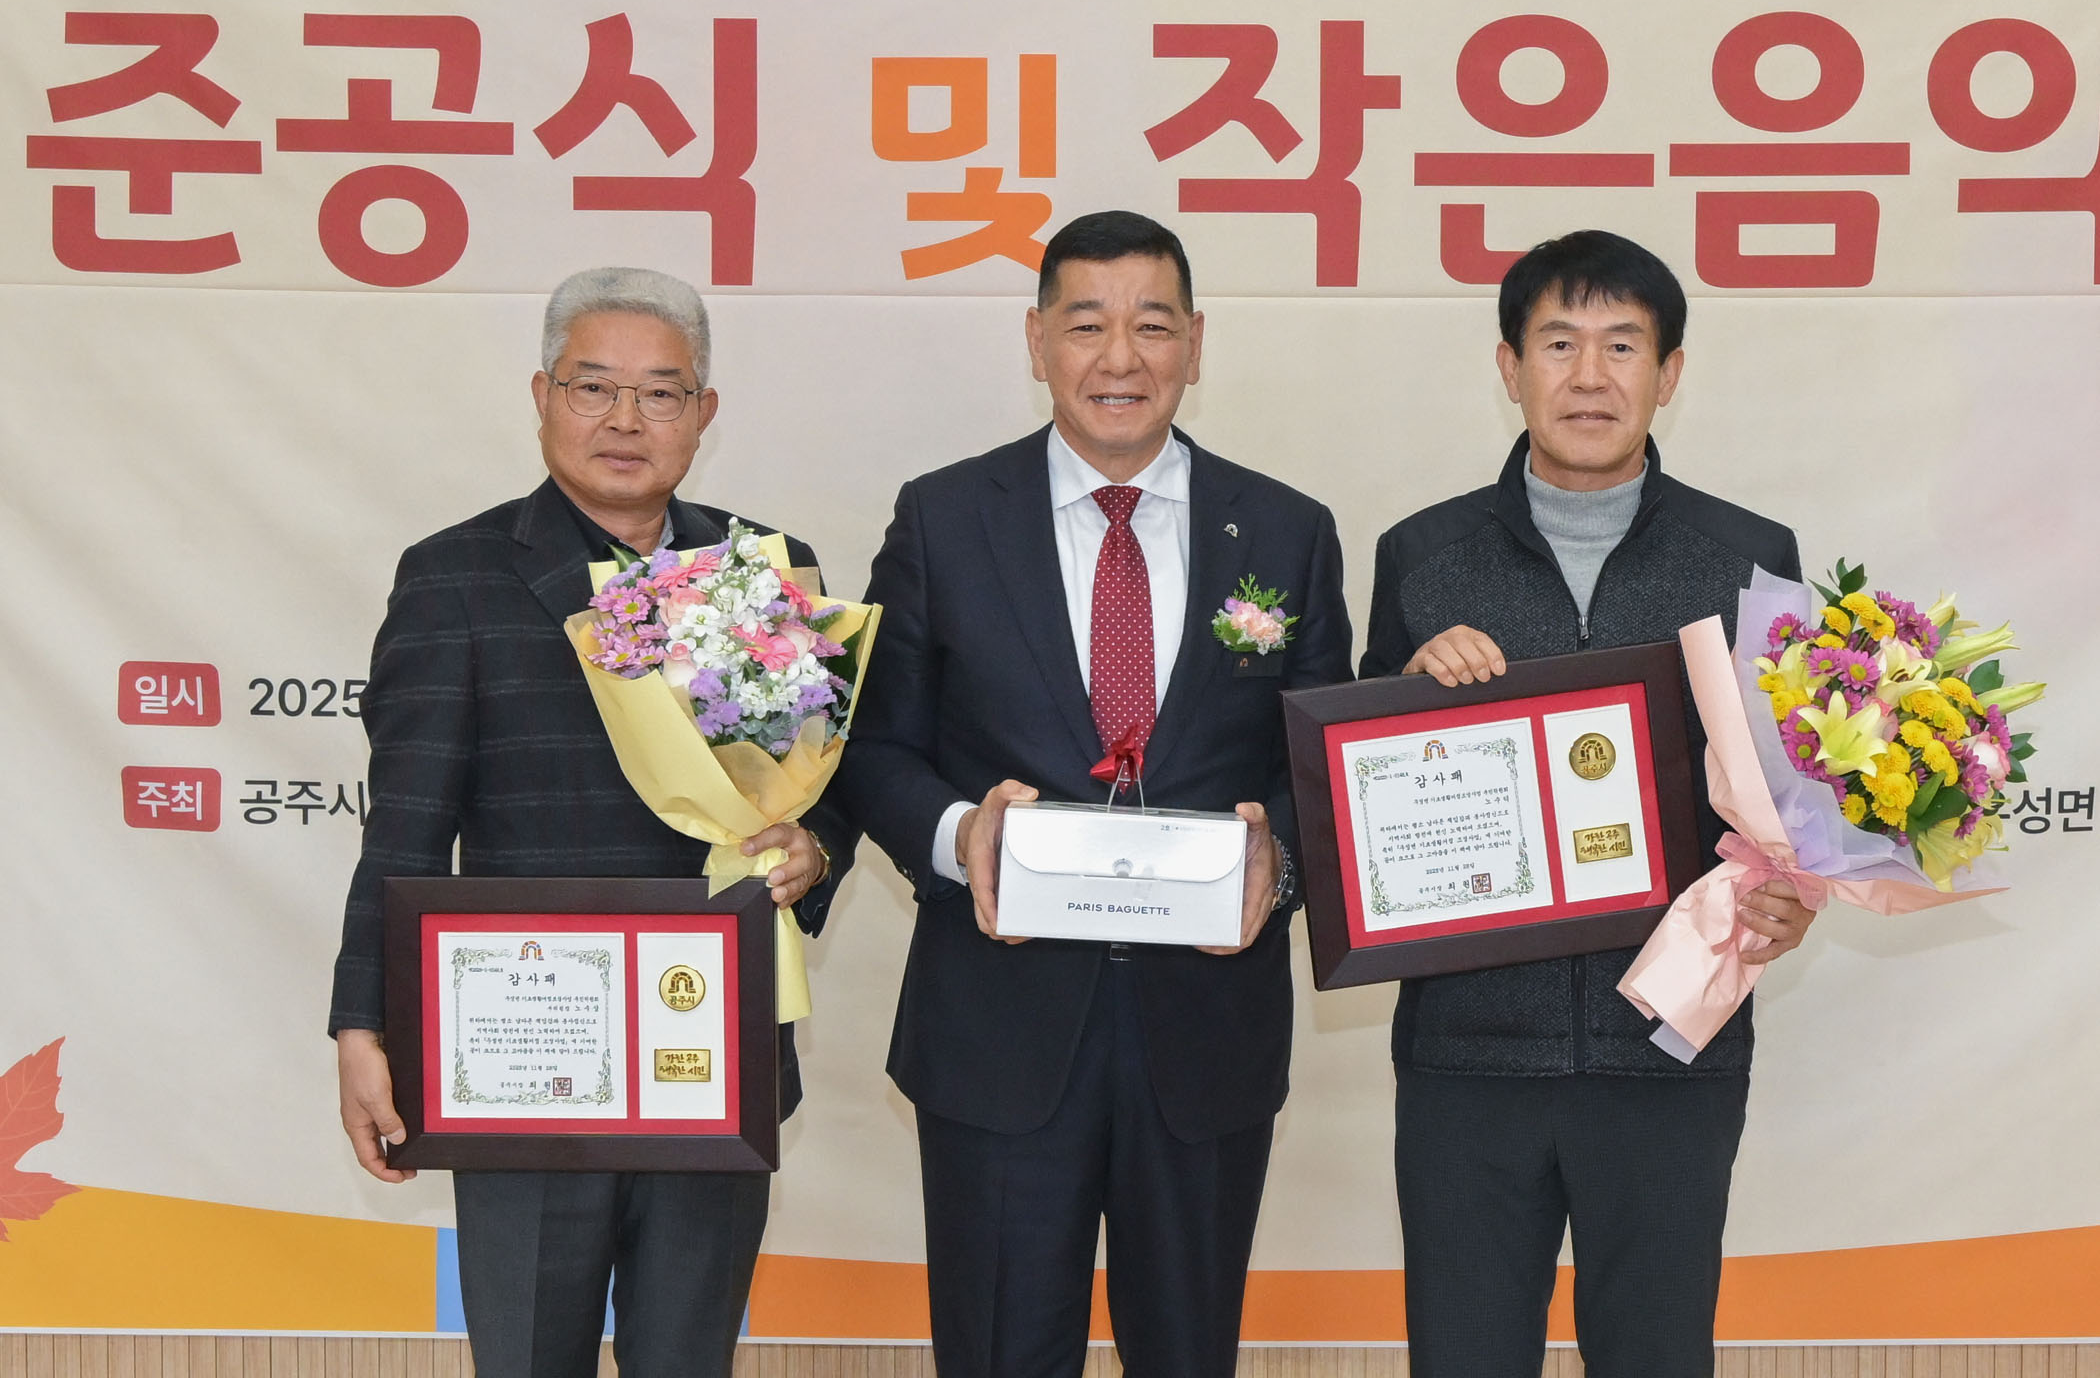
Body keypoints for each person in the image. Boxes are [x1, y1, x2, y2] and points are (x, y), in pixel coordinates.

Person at [834, 210, 1352, 1377]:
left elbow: (1321, 766)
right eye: (1086, 325)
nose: (1121, 357)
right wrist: (961, 834)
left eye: (1152, 326)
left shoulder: (1286, 529)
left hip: (1204, 1037)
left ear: (1196, 344)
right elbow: (872, 744)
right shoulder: (944, 518)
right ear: (1037, 342)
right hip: (999, 1031)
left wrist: (1282, 864)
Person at [327, 266, 853, 1378]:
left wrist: (815, 849)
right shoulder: (456, 576)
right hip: (524, 1056)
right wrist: (363, 1024)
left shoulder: (762, 570)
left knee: (689, 1358)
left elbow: (824, 781)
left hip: (711, 1051)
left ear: (703, 413)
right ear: (542, 396)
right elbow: (404, 829)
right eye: (593, 387)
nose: (626, 420)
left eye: (661, 393)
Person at [1359, 230, 1818, 1377]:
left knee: (1658, 1353)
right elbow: (1361, 813)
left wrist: (1795, 894)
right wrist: (1409, 696)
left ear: (1670, 372)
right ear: (1509, 367)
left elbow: (1794, 796)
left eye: (1623, 345)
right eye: (1559, 344)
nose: (1590, 376)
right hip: (1468, 1055)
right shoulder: (1422, 556)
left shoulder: (1749, 556)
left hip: (1671, 1045)